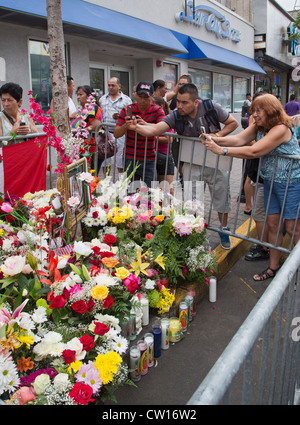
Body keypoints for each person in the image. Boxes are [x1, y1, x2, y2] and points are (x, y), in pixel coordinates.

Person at [200, 93, 300, 281]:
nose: (254, 115)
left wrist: (222, 151)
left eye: (258, 111)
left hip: (291, 184)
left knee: (293, 228)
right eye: (253, 110)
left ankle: (296, 273)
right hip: (270, 182)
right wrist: (215, 139)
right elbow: (239, 140)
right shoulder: (260, 126)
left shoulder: (281, 128)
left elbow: (255, 150)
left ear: (271, 111)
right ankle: (273, 267)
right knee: (272, 225)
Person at [130, 83, 239, 249]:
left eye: (184, 102)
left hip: (216, 161)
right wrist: (135, 126)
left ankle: (223, 230)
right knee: (192, 200)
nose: (179, 105)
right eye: (178, 101)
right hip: (191, 163)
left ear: (195, 102)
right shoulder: (176, 115)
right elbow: (155, 130)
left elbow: (233, 123)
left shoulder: (211, 107)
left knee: (221, 197)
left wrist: (216, 136)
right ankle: (195, 235)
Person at [114, 81, 165, 188]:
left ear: (152, 96)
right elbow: (116, 133)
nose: (142, 100)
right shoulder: (127, 110)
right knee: (130, 193)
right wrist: (126, 126)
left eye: (146, 97)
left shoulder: (158, 111)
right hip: (129, 157)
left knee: (151, 193)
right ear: (135, 95)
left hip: (149, 158)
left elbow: (163, 129)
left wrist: (146, 124)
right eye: (140, 96)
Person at [99, 77, 132, 173]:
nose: (110, 87)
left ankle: (121, 182)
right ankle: (107, 181)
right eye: (109, 85)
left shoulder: (126, 100)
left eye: (113, 85)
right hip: (106, 133)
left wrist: (121, 117)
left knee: (120, 160)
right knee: (105, 160)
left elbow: (130, 116)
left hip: (120, 134)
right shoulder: (102, 99)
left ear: (119, 86)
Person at [151, 95, 175, 195]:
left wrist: (151, 136)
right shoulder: (150, 118)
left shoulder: (166, 119)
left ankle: (172, 208)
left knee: (167, 189)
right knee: (154, 189)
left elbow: (169, 139)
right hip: (151, 155)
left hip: (164, 156)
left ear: (160, 106)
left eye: (153, 106)